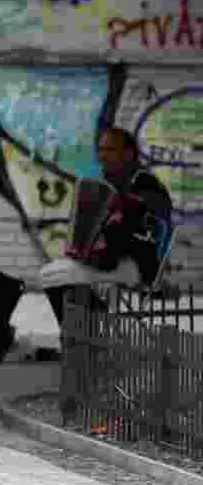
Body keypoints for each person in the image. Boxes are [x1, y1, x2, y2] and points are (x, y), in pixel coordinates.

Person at [43, 126, 173, 332]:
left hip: (137, 263)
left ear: (128, 154)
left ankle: (87, 333)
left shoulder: (146, 183)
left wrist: (125, 214)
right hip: (104, 260)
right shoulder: (106, 184)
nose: (102, 156)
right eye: (101, 150)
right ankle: (86, 331)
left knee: (60, 275)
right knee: (51, 273)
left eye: (109, 150)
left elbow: (158, 226)